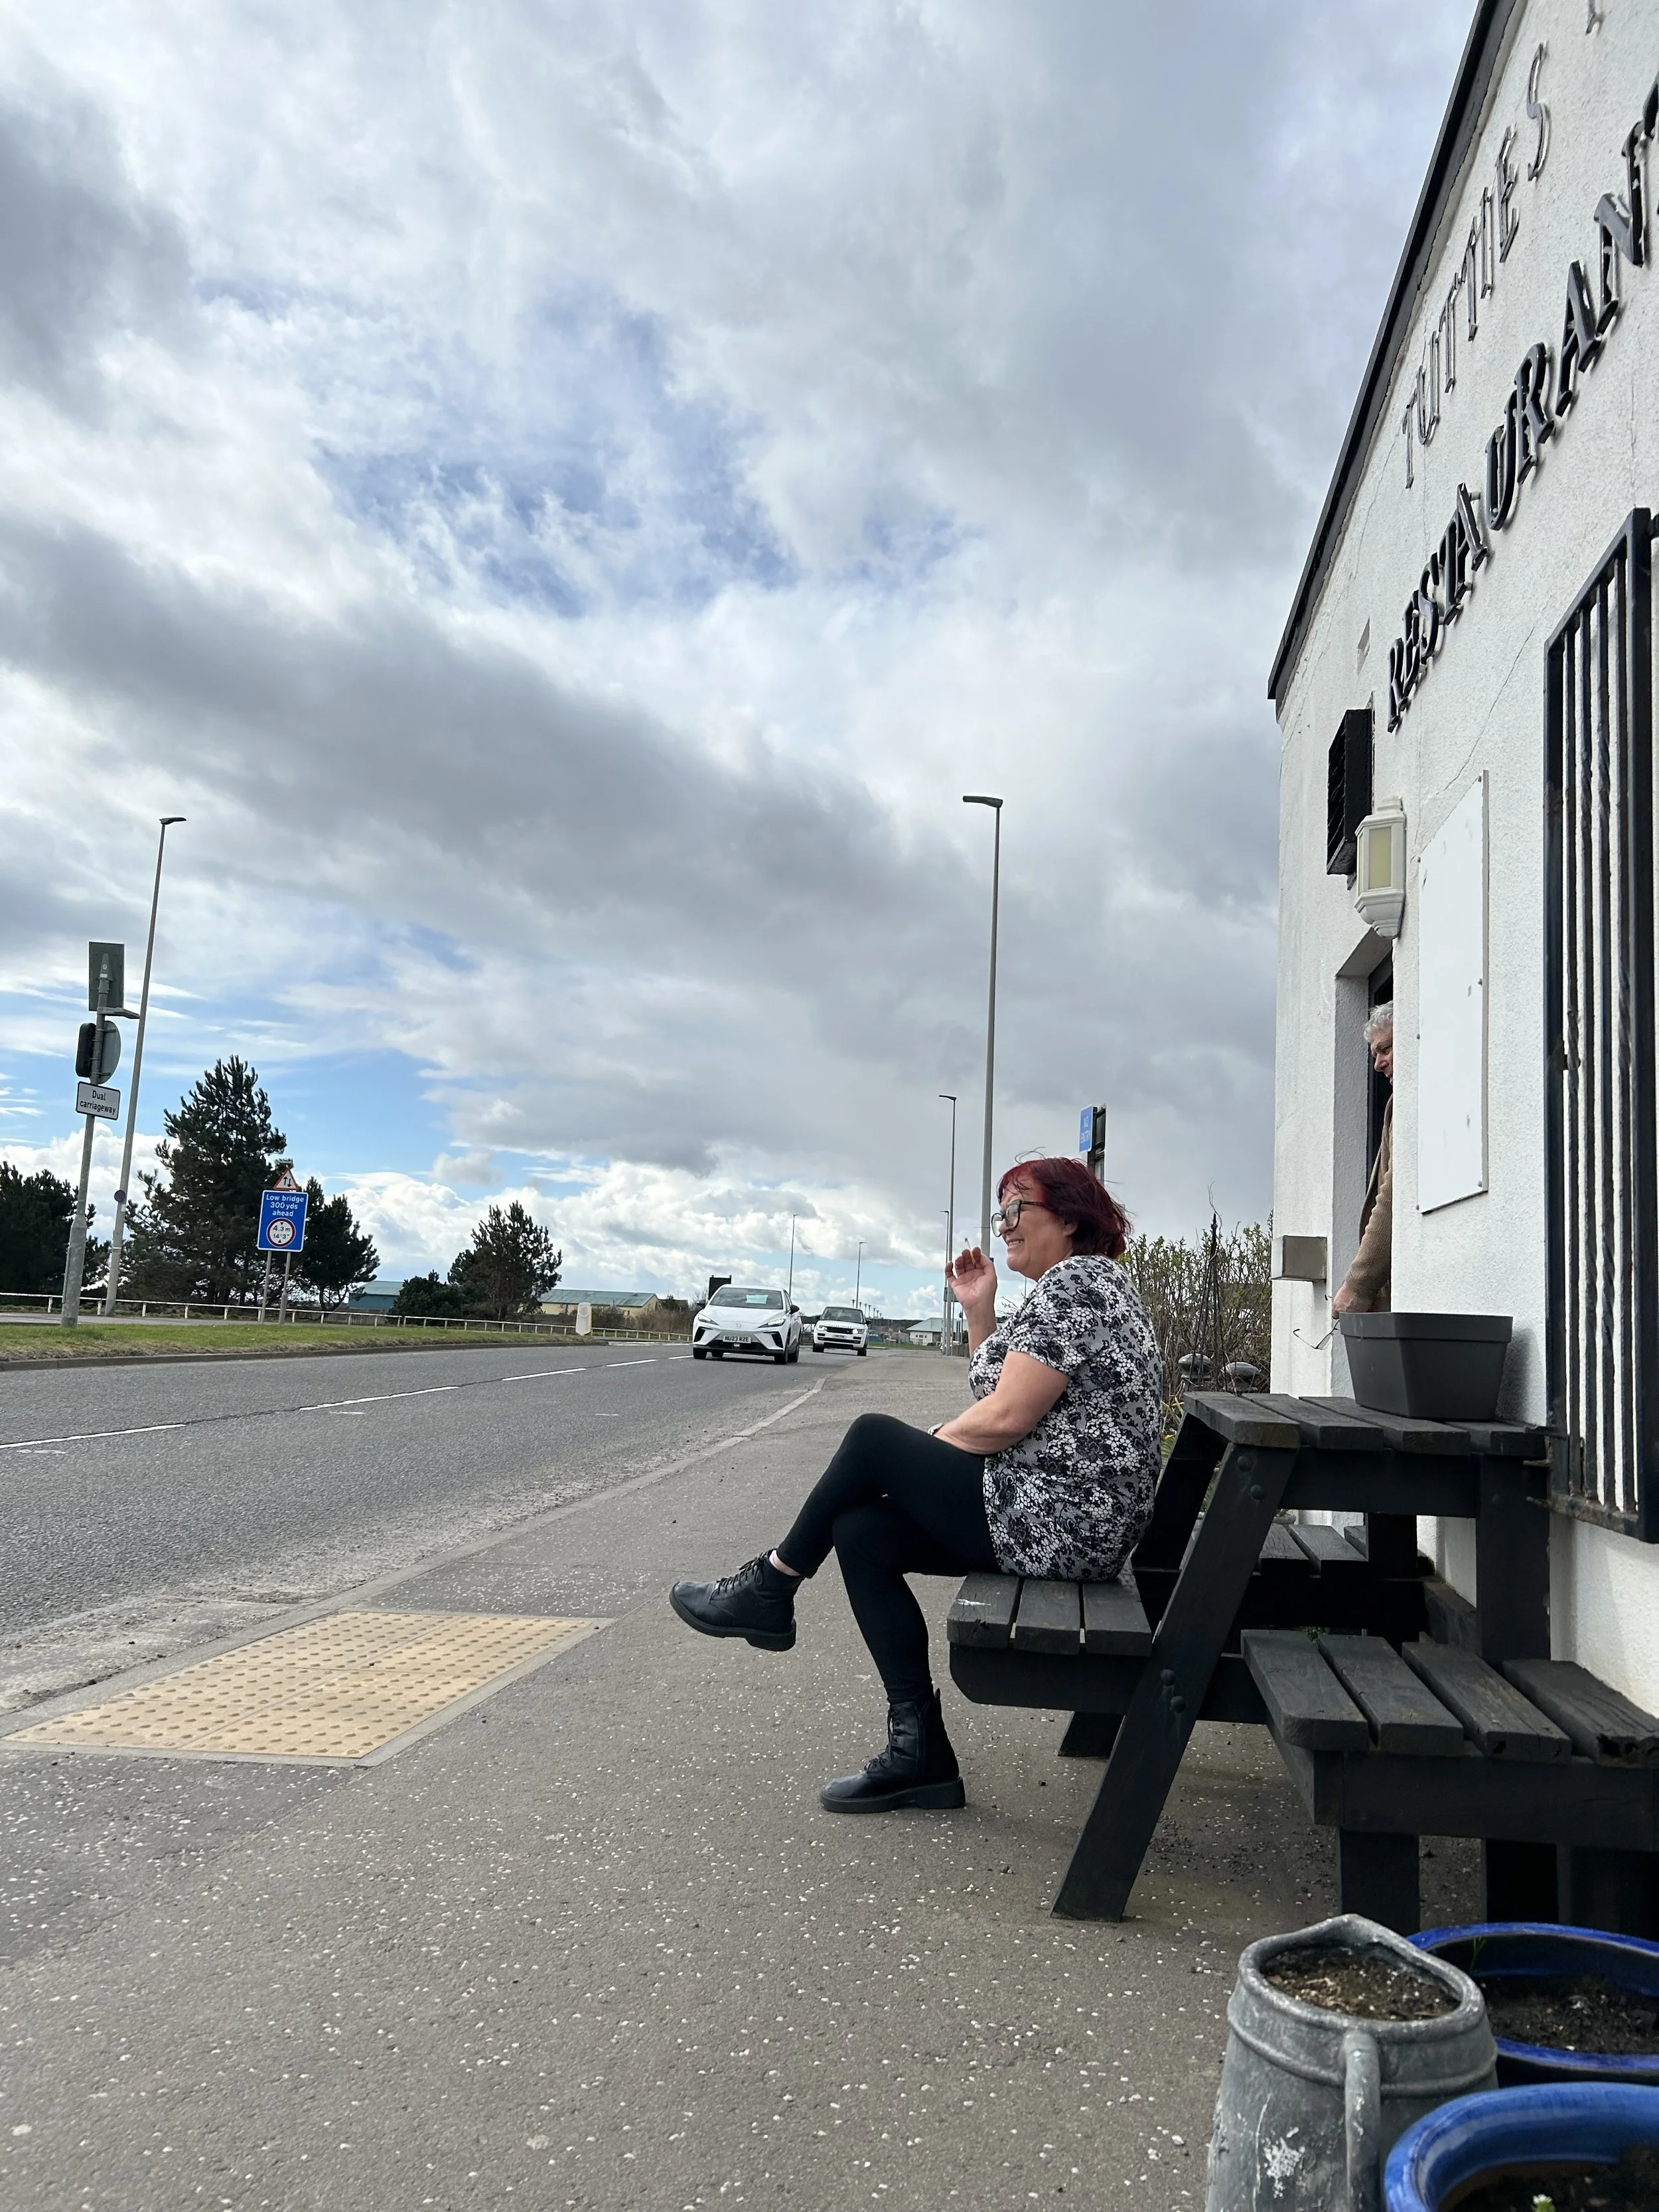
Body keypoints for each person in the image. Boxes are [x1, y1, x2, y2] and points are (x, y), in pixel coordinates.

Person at [668, 1156, 1162, 1814]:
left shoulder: (1078, 1283)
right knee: (861, 1532)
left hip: (1062, 1523)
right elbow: (999, 1390)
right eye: (1002, 1212)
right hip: (1061, 1519)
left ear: (1070, 1218)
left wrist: (915, 1455)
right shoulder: (1078, 1285)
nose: (1004, 1225)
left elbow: (1007, 1419)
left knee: (873, 1440)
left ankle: (772, 1584)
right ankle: (918, 1751)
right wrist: (979, 1308)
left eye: (1019, 1208)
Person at [1332, 1002, 1394, 1315]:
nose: (1378, 1065)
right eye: (1375, 1055)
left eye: (1386, 1049)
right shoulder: (1398, 1102)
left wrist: (1358, 1285)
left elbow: (1394, 1194)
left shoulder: (1412, 1100)